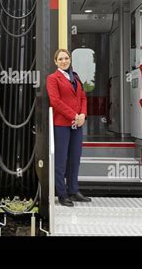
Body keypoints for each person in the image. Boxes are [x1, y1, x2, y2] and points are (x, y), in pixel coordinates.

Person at [46, 49, 91, 207]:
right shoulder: (53, 79)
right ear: (56, 62)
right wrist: (74, 115)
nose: (64, 61)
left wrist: (83, 115)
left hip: (77, 124)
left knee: (75, 159)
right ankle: (62, 194)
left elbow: (83, 98)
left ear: (70, 59)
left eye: (66, 58)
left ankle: (73, 190)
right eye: (60, 59)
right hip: (62, 125)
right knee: (61, 161)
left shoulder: (76, 77)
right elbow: (55, 101)